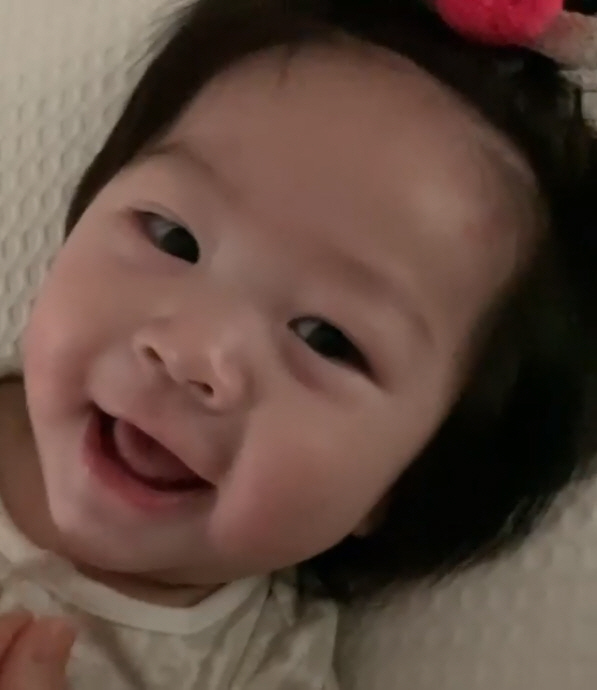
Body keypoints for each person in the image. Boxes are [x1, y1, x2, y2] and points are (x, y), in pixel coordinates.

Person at [0, 0, 597, 687]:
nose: (193, 349)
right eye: (172, 238)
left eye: (326, 339)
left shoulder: (259, 670)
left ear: (410, 478)